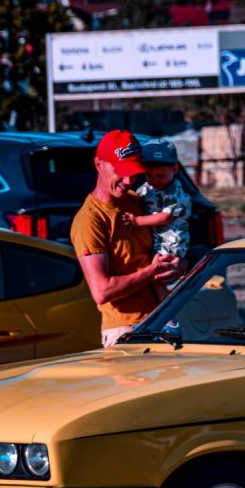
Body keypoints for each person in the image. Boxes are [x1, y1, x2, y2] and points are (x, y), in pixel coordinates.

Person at [70, 129, 184, 347]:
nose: (128, 180)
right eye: (120, 171)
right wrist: (152, 272)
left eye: (134, 172)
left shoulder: (136, 200)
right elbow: (102, 291)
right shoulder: (90, 220)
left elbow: (167, 244)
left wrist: (179, 265)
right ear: (98, 164)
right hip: (126, 332)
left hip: (160, 323)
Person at [121, 138, 191, 304]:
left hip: (171, 241)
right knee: (155, 275)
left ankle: (166, 313)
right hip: (156, 240)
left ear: (175, 170)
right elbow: (138, 198)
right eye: (149, 175)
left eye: (160, 175)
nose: (154, 180)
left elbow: (165, 217)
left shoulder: (176, 191)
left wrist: (136, 221)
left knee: (158, 275)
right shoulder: (147, 188)